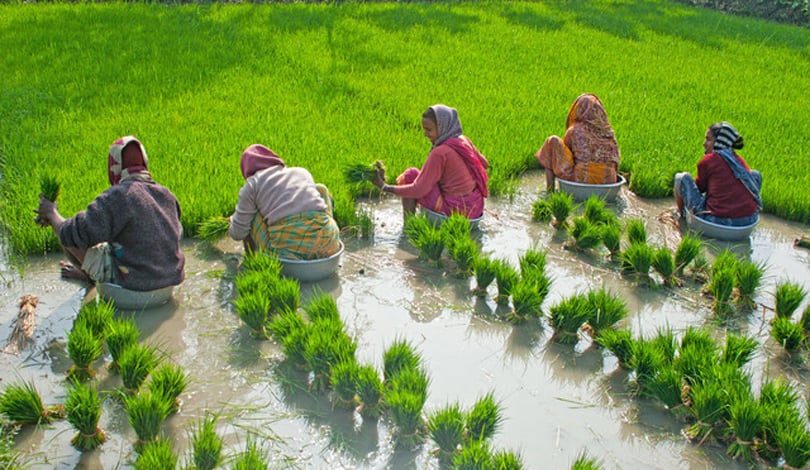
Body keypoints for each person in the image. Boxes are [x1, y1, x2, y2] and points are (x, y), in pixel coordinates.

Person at [36, 136, 185, 292]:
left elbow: (73, 233)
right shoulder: (167, 195)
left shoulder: (119, 196)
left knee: (70, 235)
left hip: (133, 289)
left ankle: (89, 278)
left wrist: (52, 214)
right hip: (169, 286)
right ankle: (88, 274)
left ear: (114, 166)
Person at [372, 104, 489, 219]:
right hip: (476, 207)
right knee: (430, 178)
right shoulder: (463, 140)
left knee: (410, 175)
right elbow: (484, 164)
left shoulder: (440, 153)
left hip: (457, 212)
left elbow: (418, 189)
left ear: (442, 126)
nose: (425, 134)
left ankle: (409, 228)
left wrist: (384, 187)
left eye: (429, 130)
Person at [229, 144, 341, 260]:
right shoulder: (301, 172)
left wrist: (233, 221)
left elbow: (238, 234)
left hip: (289, 250)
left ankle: (251, 260)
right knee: (321, 189)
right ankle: (328, 235)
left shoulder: (252, 185)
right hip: (330, 244)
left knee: (251, 214)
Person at [673, 122, 762, 226]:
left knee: (681, 178)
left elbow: (699, 188)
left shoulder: (709, 160)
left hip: (716, 223)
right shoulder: (738, 161)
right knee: (755, 174)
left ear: (718, 142)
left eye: (708, 139)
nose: (704, 143)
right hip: (748, 223)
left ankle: (681, 215)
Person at [535, 93, 620, 191]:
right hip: (609, 182)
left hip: (582, 181)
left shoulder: (575, 130)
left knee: (552, 142)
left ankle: (550, 190)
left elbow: (566, 153)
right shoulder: (608, 132)